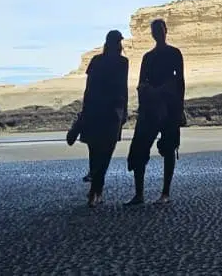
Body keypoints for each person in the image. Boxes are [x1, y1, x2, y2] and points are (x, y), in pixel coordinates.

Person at [67, 29, 129, 207]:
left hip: (96, 110)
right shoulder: (122, 62)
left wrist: (85, 111)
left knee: (96, 152)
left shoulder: (97, 61)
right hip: (112, 112)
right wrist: (124, 111)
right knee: (105, 152)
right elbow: (122, 89)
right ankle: (96, 191)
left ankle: (95, 191)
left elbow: (89, 89)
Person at [126, 18, 185, 205]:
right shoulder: (147, 57)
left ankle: (165, 193)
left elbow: (180, 82)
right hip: (150, 108)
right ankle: (139, 194)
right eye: (155, 29)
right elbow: (141, 83)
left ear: (166, 30)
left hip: (169, 107)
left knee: (169, 149)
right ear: (152, 33)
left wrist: (179, 107)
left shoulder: (175, 53)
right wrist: (149, 95)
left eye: (160, 28)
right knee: (139, 149)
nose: (158, 32)